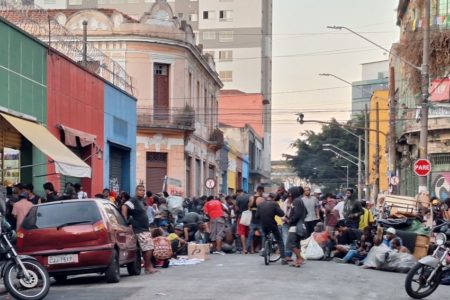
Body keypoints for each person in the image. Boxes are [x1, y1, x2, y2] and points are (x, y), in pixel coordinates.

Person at [122, 185, 158, 274]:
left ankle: (148, 266)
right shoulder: (133, 200)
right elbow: (124, 206)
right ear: (136, 191)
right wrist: (125, 219)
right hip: (139, 229)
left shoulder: (140, 201)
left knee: (148, 248)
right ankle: (148, 267)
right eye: (140, 190)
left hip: (144, 228)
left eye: (143, 190)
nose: (142, 192)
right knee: (148, 248)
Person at [255, 193, 289, 264]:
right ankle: (283, 258)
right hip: (272, 224)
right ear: (274, 198)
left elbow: (257, 216)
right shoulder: (274, 204)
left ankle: (263, 249)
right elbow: (281, 214)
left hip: (263, 225)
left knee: (265, 235)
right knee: (279, 239)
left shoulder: (260, 205)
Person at [286, 186, 307, 268]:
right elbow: (305, 212)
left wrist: (290, 220)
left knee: (290, 244)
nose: (289, 194)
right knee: (296, 244)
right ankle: (298, 261)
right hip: (299, 225)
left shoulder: (296, 201)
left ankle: (300, 258)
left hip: (295, 226)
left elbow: (297, 214)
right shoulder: (299, 200)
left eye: (290, 192)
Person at [246, 186, 266, 254]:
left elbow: (249, 208)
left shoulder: (251, 198)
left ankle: (246, 248)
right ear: (260, 191)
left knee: (250, 235)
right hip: (260, 219)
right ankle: (263, 248)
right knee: (263, 234)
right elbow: (263, 210)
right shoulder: (262, 199)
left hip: (252, 219)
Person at [235, 189, 250, 254]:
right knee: (249, 232)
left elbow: (236, 208)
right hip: (249, 216)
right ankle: (250, 249)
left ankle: (244, 249)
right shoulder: (249, 196)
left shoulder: (238, 198)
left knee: (242, 233)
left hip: (241, 216)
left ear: (238, 192)